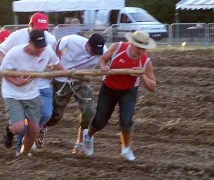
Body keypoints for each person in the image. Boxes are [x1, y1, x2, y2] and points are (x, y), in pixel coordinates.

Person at [83, 31, 157, 162]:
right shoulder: (117, 47)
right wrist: (103, 66)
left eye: (143, 49)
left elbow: (152, 87)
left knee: (126, 120)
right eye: (138, 48)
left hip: (128, 91)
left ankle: (126, 149)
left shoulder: (146, 62)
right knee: (100, 121)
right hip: (108, 88)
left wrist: (142, 75)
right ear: (131, 44)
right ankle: (88, 136)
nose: (140, 52)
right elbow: (102, 59)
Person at [0, 13, 57, 153]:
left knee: (40, 121)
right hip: (14, 90)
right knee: (19, 127)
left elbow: (56, 61)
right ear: (30, 26)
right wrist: (14, 77)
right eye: (39, 27)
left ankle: (25, 150)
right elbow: (1, 58)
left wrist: (69, 74)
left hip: (36, 88)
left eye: (45, 29)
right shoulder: (16, 42)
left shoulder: (48, 43)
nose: (42, 31)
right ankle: (14, 133)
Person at [42, 33, 106, 153]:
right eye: (92, 50)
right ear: (87, 44)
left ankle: (80, 143)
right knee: (56, 116)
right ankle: (40, 127)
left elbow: (107, 59)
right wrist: (58, 59)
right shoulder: (73, 40)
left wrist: (104, 66)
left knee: (88, 111)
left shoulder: (102, 51)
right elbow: (59, 43)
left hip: (81, 78)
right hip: (62, 78)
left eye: (97, 52)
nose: (94, 54)